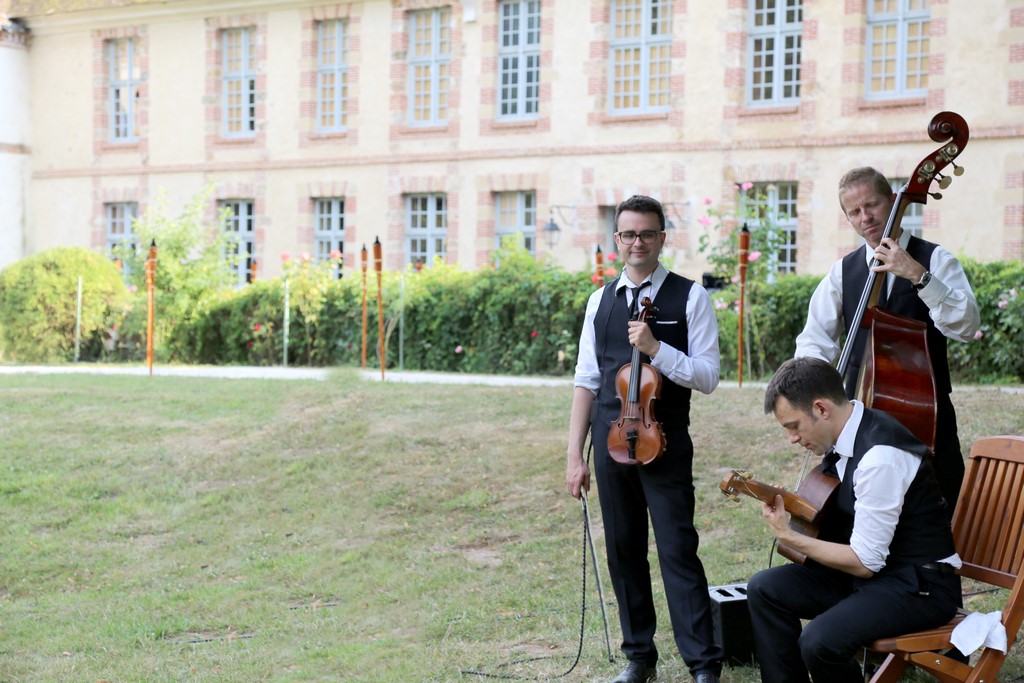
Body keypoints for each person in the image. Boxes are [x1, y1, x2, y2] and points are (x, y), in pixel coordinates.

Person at [565, 195, 723, 683]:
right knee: (623, 550)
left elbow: (708, 375)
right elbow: (586, 380)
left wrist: (658, 349)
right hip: (611, 441)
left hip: (665, 440)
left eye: (647, 234)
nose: (637, 242)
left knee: (677, 547)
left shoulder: (690, 297)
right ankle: (640, 657)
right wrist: (574, 455)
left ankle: (703, 663)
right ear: (617, 240)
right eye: (628, 234)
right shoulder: (600, 300)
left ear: (661, 238)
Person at [747, 357, 962, 683]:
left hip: (920, 588)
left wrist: (788, 536)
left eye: (793, 426)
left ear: (821, 409)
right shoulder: (843, 440)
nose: (792, 438)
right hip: (878, 579)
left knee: (819, 642)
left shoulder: (880, 457)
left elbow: (864, 562)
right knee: (765, 588)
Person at [795, 166, 980, 517]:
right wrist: (813, 389)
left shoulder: (935, 259)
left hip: (927, 421)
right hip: (859, 419)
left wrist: (917, 274)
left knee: (934, 520)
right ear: (847, 217)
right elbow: (814, 341)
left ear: (893, 202)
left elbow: (967, 326)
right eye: (855, 211)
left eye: (872, 205)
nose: (866, 217)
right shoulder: (843, 272)